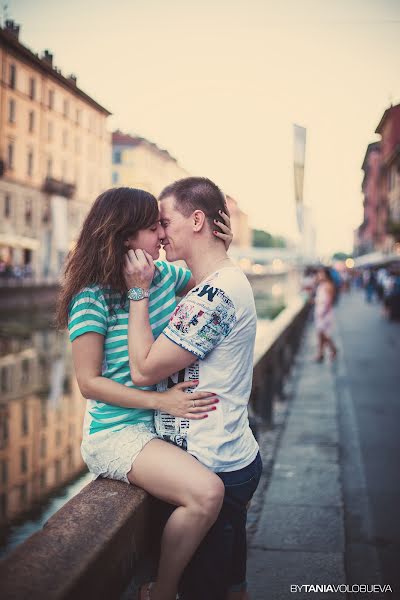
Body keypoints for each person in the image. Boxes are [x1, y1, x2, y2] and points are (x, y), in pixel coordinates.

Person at [56, 187, 234, 600]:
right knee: (206, 493)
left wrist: (220, 243)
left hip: (160, 424)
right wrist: (161, 400)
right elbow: (88, 383)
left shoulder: (163, 275)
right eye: (153, 227)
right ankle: (161, 591)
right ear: (125, 237)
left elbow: (208, 275)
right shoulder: (91, 298)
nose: (161, 235)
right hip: (118, 432)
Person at [123, 177, 262, 600]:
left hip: (210, 464)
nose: (160, 234)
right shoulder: (222, 281)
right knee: (230, 589)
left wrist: (137, 293)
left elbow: (144, 369)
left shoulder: (214, 296)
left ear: (197, 219)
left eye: (165, 222)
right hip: (228, 457)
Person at [313, 266, 338, 362]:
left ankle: (333, 349)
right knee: (320, 334)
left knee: (323, 334)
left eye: (321, 273)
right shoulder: (321, 285)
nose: (319, 275)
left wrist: (323, 313)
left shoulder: (328, 285)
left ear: (326, 275)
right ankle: (320, 354)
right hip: (319, 311)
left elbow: (329, 301)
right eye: (318, 273)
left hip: (324, 313)